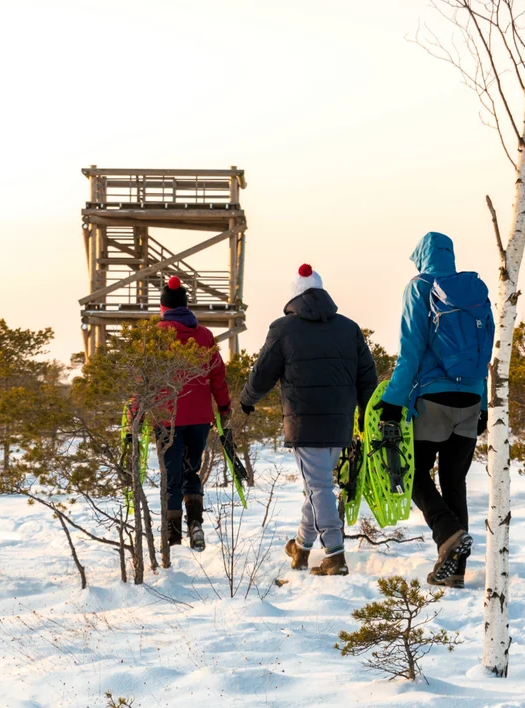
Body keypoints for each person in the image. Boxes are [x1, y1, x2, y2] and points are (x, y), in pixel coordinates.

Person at [240, 264, 377, 576]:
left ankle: (335, 554)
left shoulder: (282, 329)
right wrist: (367, 414)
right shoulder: (349, 327)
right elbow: (367, 377)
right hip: (341, 422)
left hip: (304, 422)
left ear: (294, 296)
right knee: (317, 486)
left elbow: (262, 374)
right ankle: (301, 548)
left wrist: (247, 400)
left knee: (318, 487)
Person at [377, 232, 492, 588]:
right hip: (471, 399)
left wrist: (392, 403)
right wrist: (483, 403)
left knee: (412, 474)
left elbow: (410, 353)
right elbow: (484, 352)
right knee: (454, 480)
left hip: (433, 399)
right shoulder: (475, 292)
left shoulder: (419, 288)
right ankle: (456, 569)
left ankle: (447, 536)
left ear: (422, 257)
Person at [156, 276, 230, 551]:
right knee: (191, 470)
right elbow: (217, 375)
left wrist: (135, 414)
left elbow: (142, 381)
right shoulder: (204, 335)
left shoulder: (156, 337)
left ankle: (173, 537)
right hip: (199, 418)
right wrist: (223, 406)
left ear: (163, 307)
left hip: (167, 419)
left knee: (171, 476)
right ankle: (195, 525)